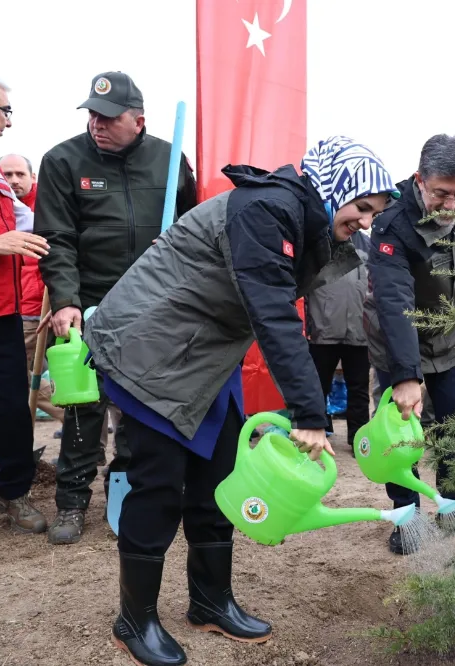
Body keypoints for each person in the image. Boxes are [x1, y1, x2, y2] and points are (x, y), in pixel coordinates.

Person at [83, 135, 397, 666]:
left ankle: (210, 601)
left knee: (217, 478)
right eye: (362, 207)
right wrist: (311, 414)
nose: (366, 221)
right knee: (158, 485)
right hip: (151, 350)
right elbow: (273, 313)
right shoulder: (265, 209)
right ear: (332, 188)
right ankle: (134, 619)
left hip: (205, 354)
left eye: (375, 213)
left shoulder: (302, 217)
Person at [35, 71, 197, 544]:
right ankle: (70, 502)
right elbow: (57, 238)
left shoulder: (170, 160)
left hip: (154, 305)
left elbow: (195, 222)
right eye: (92, 115)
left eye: (108, 117)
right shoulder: (63, 160)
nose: (97, 124)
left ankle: (127, 491)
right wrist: (65, 300)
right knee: (85, 407)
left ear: (138, 120)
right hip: (91, 307)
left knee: (141, 409)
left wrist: (178, 245)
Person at [365, 134, 455, 555]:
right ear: (420, 180)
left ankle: (454, 506)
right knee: (401, 437)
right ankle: (407, 517)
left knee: (453, 427)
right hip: (399, 340)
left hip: (451, 340)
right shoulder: (392, 221)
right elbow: (395, 303)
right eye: (441, 195)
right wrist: (406, 375)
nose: (451, 206)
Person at [0, 73, 50, 534]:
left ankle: (10, 492)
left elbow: (29, 219)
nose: (9, 121)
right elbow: (3, 237)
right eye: (5, 110)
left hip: (0, 314)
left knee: (11, 408)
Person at [0, 154, 64, 424]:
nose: (14, 180)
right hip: (15, 305)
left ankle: (78, 426)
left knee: (16, 374)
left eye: (19, 174)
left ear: (32, 177)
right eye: (7, 174)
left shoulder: (46, 206)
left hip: (39, 307)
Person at [303, 226, 372, 454]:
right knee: (316, 388)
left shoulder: (368, 245)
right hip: (322, 332)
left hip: (359, 333)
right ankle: (313, 437)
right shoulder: (318, 243)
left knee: (359, 390)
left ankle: (358, 440)